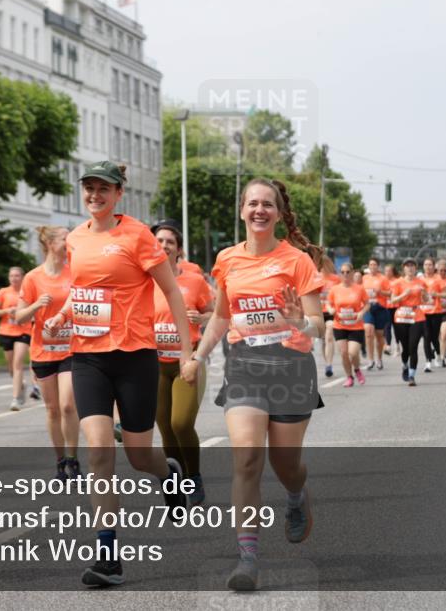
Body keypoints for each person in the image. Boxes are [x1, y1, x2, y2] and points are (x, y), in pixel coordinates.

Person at [44, 161, 192, 587]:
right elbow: (84, 292)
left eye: (103, 188)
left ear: (118, 194)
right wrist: (62, 316)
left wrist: (185, 352)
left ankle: (169, 474)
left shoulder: (138, 235)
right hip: (88, 357)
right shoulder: (75, 237)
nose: (94, 195)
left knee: (139, 456)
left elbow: (171, 293)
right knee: (98, 451)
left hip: (134, 355)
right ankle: (107, 555)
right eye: (88, 188)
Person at [181, 178, 325, 592]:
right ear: (242, 210)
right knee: (246, 458)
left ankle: (297, 495)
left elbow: (317, 323)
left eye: (268, 205)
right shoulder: (227, 260)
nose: (260, 210)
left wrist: (299, 322)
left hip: (292, 368)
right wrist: (198, 355)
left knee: (285, 464)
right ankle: (247, 558)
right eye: (253, 204)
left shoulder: (297, 261)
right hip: (244, 366)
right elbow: (222, 317)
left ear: (279, 214)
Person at [150, 220, 214, 505]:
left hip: (187, 362)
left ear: (179, 250)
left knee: (181, 422)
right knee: (165, 427)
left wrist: (202, 318)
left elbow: (214, 313)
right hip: (153, 365)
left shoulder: (194, 281)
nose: (163, 246)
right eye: (159, 241)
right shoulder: (141, 281)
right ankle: (174, 483)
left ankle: (194, 475)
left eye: (170, 242)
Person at [16, 226, 80, 480]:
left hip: (70, 350)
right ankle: (60, 461)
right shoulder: (32, 278)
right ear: (51, 244)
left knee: (67, 405)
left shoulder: (74, 273)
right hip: (43, 352)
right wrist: (35, 305)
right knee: (52, 409)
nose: (69, 243)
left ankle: (73, 461)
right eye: (65, 239)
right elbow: (19, 316)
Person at [0, 266, 36, 410]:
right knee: (11, 368)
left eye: (17, 275)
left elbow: (34, 310)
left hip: (23, 331)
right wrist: (7, 311)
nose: (14, 278)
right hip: (6, 331)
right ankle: (21, 385)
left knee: (18, 364)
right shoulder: (3, 292)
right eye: (12, 276)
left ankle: (15, 399)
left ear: (23, 277)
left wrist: (22, 313)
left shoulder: (27, 292)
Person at [387, 258, 429, 386]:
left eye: (412, 266)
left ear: (416, 268)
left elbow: (426, 300)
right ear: (403, 268)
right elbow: (393, 301)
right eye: (407, 266)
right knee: (405, 348)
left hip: (417, 316)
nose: (410, 268)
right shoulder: (398, 283)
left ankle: (411, 375)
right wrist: (404, 294)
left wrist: (424, 294)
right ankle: (404, 365)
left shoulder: (421, 282)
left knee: (413, 347)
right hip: (401, 317)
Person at [327, 262, 369, 386]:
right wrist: (331, 310)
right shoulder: (335, 289)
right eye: (343, 272)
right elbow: (329, 303)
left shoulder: (359, 288)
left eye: (347, 272)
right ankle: (349, 377)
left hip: (355, 325)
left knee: (352, 352)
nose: (345, 274)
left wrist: (362, 312)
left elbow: (367, 303)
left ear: (352, 273)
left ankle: (357, 369)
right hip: (339, 325)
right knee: (344, 353)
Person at [361, 258, 391, 370]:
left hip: (380, 308)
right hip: (368, 308)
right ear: (368, 266)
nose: (372, 266)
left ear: (378, 266)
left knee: (379, 335)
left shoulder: (383, 279)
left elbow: (389, 293)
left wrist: (380, 292)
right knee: (368, 332)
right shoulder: (364, 278)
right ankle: (370, 360)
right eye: (371, 264)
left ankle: (379, 359)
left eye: (374, 264)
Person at [420, 258, 446, 371]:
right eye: (426, 264)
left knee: (434, 337)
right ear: (423, 266)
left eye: (430, 264)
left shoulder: (438, 279)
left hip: (436, 311)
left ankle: (438, 355)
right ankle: (427, 362)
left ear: (434, 266)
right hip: (423, 312)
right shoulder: (419, 280)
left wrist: (437, 294)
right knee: (426, 337)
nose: (428, 267)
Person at [317, 256, 340, 378]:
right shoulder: (315, 278)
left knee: (329, 335)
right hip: (319, 312)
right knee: (322, 340)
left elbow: (341, 293)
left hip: (331, 312)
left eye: (325, 264)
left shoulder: (335, 279)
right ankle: (327, 363)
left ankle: (329, 364)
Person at [383, 264, 400, 355]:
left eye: (389, 271)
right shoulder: (383, 281)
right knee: (387, 326)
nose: (387, 273)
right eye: (386, 271)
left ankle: (397, 346)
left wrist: (385, 293)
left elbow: (394, 293)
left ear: (393, 271)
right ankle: (388, 345)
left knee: (396, 327)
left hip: (396, 306)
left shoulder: (397, 281)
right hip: (386, 306)